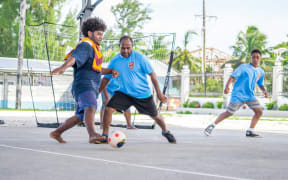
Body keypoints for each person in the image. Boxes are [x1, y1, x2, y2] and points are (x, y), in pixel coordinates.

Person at [49, 17, 118, 144]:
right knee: (91, 106)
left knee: (79, 117)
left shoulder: (94, 49)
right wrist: (63, 67)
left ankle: (56, 133)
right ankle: (92, 135)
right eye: (98, 34)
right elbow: (75, 58)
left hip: (90, 86)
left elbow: (96, 69)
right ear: (90, 33)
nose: (100, 37)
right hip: (84, 85)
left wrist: (110, 71)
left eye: (102, 34)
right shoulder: (85, 45)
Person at [97, 35, 176, 144]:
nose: (125, 50)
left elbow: (152, 75)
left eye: (128, 48)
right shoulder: (115, 61)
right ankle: (105, 136)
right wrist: (98, 92)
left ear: (132, 47)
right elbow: (106, 78)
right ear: (119, 47)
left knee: (156, 116)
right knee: (108, 108)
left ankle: (165, 131)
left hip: (142, 94)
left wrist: (159, 94)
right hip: (124, 93)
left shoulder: (140, 58)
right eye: (123, 48)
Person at [204, 49, 268, 137]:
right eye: (253, 57)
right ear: (251, 58)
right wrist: (227, 87)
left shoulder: (261, 71)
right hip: (238, 95)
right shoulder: (243, 67)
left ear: (260, 58)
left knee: (259, 112)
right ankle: (211, 126)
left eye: (257, 57)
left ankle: (250, 131)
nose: (255, 59)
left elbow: (260, 84)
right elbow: (232, 77)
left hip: (250, 96)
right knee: (229, 112)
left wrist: (264, 91)